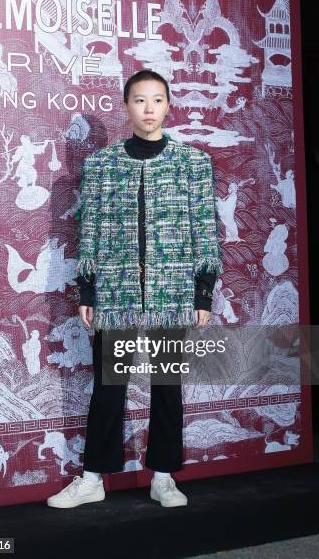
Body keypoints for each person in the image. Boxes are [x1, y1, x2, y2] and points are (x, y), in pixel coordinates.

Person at [47, 70, 223, 509]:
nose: (148, 109)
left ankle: (163, 476)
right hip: (117, 291)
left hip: (173, 289)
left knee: (166, 384)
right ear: (126, 106)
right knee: (109, 383)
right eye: (140, 101)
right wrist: (87, 292)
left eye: (157, 100)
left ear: (168, 105)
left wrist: (202, 293)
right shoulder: (102, 164)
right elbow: (89, 230)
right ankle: (92, 478)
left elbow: (204, 228)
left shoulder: (192, 162)